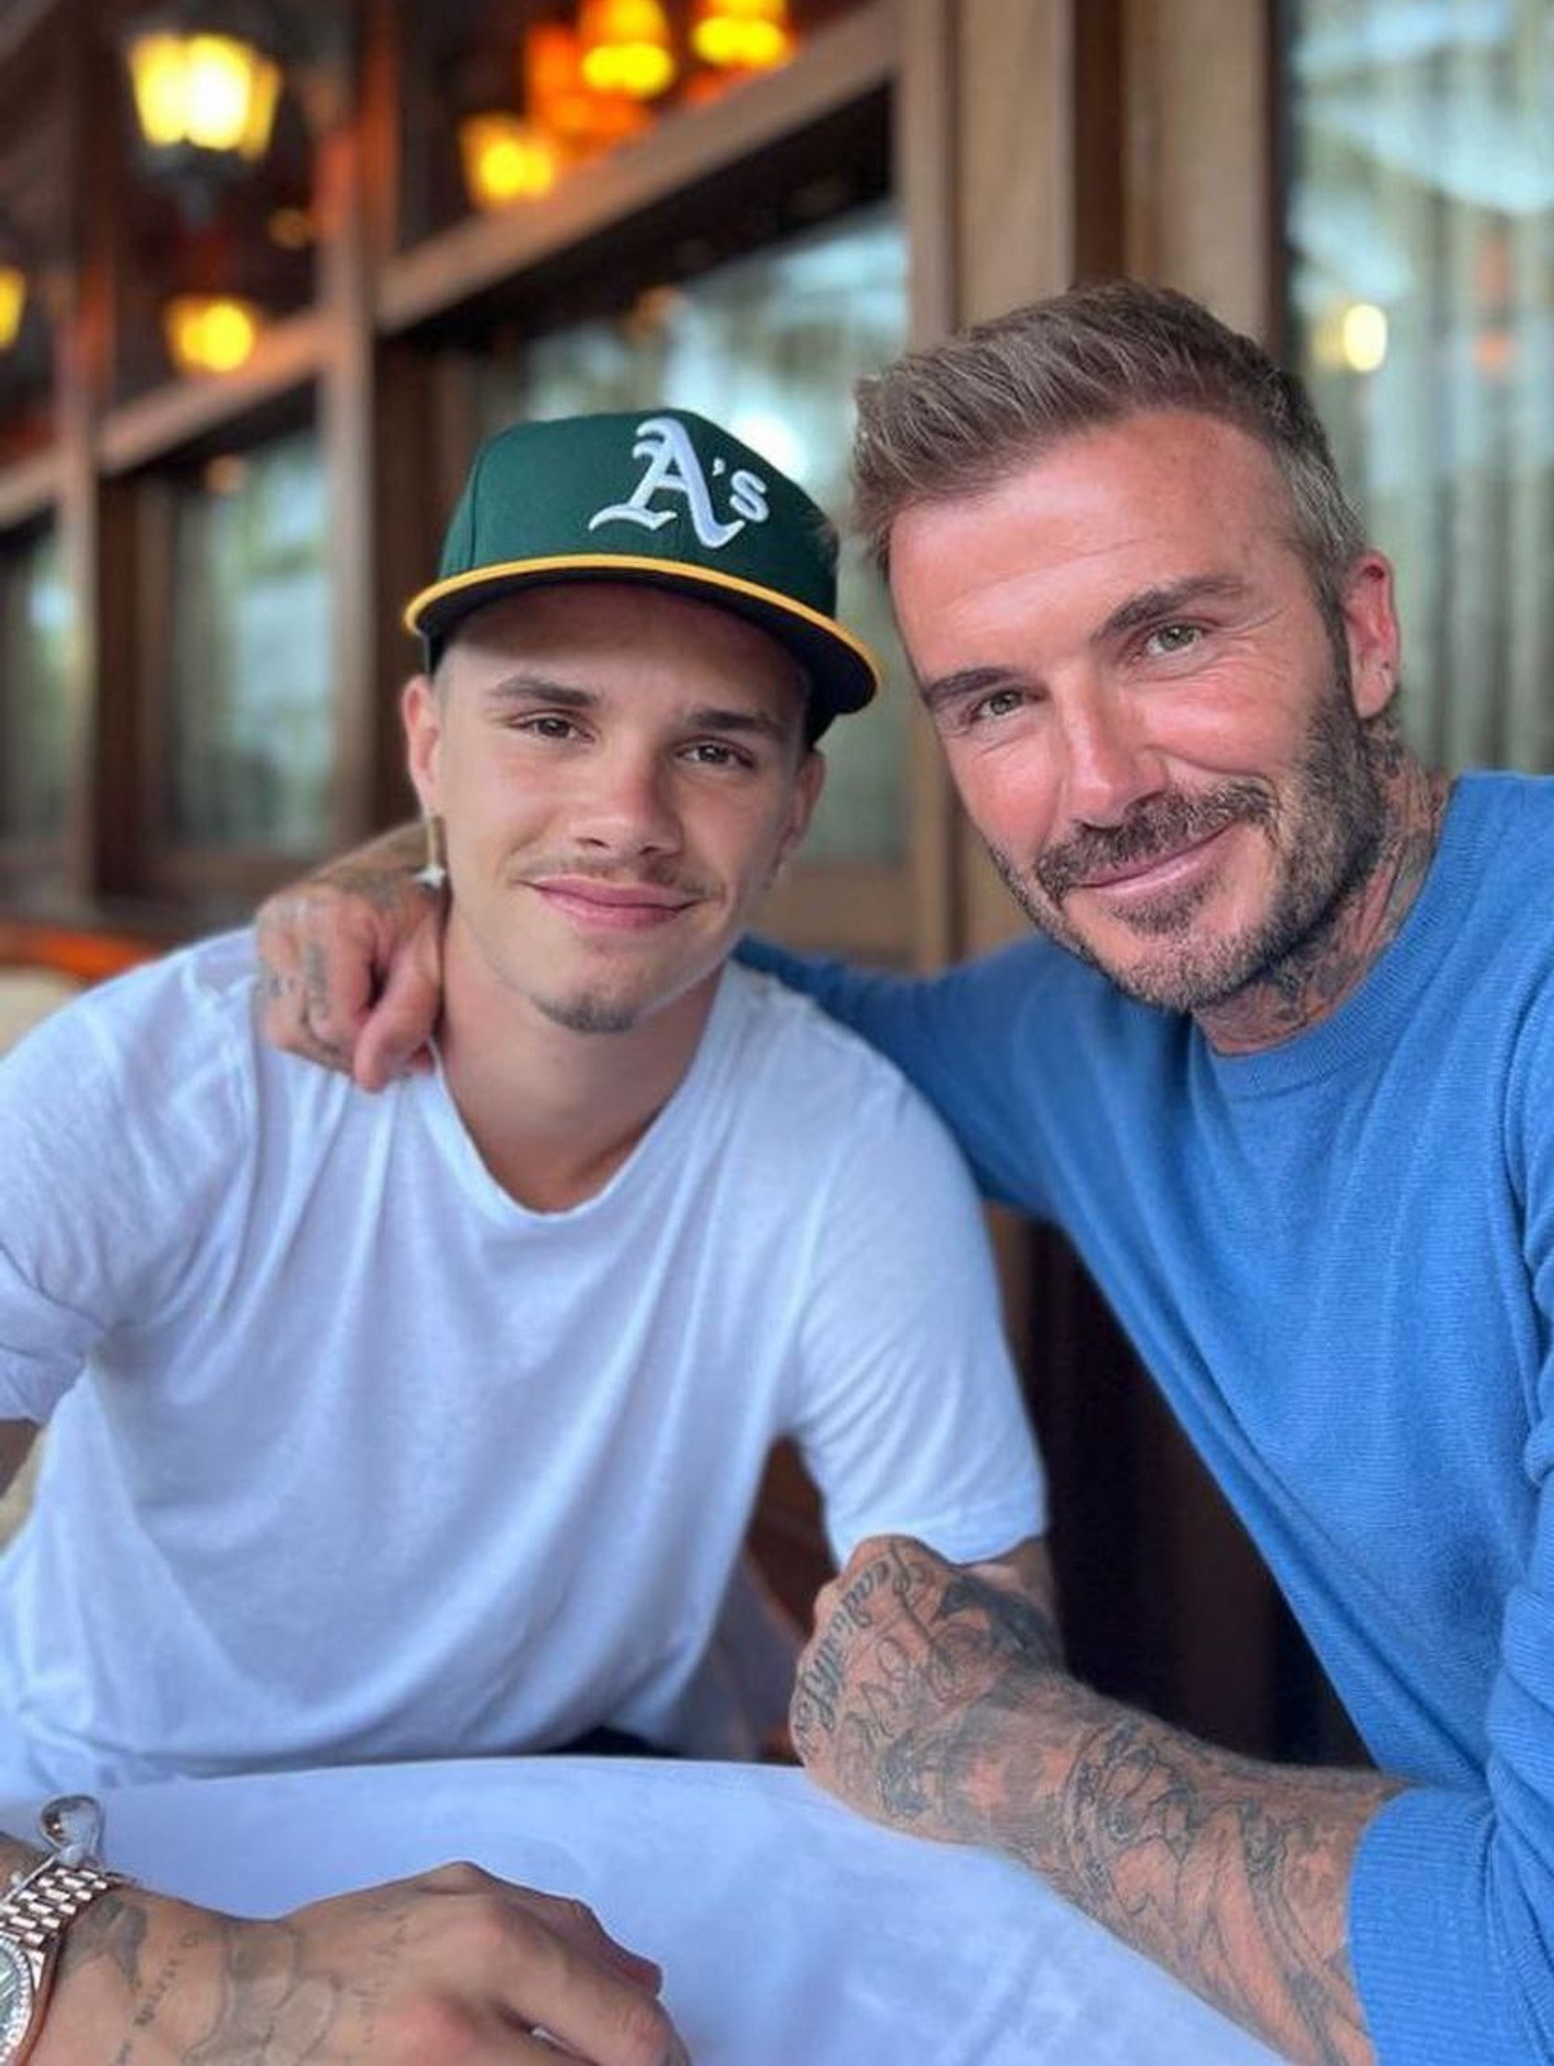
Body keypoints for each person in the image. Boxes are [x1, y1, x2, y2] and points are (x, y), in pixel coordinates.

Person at [254, 288, 1554, 2066]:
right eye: (998, 703)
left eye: (1171, 638)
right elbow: (671, 953)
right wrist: (417, 868)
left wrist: (992, 1738)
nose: (1100, 786)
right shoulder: (1090, 1040)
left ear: (1362, 633)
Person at [0, 406, 1047, 2065]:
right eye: (550, 721)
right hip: (112, 1836)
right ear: (427, 746)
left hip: (575, 1838)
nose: (627, 813)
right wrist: (206, 1994)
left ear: (794, 809)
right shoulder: (158, 1083)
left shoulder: (849, 1142)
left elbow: (980, 1667)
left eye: (716, 751)